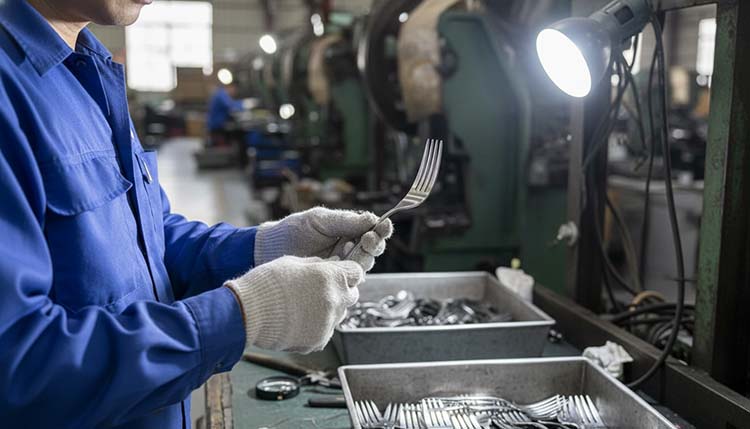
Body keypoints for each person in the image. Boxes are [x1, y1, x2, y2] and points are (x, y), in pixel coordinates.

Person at [0, 0, 393, 427]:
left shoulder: (86, 68)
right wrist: (243, 315)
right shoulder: (10, 90)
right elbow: (20, 367)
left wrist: (265, 247)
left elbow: (148, 239)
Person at [206, 81, 243, 146]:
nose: (234, 92)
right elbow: (231, 106)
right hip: (217, 127)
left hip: (218, 126)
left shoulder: (221, 94)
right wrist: (244, 104)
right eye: (235, 90)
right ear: (231, 87)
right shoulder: (221, 94)